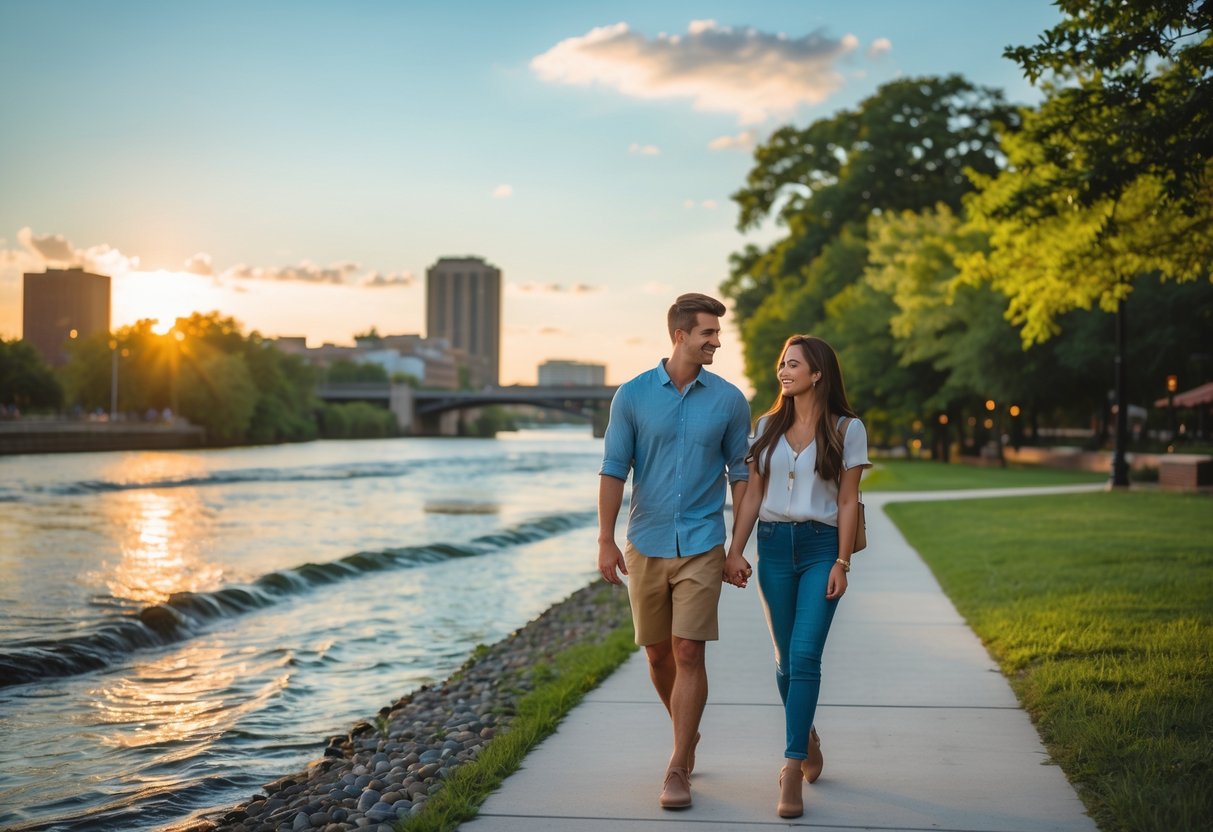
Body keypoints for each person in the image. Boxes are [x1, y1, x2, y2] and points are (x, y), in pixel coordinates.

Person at [598, 292, 751, 810]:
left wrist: (735, 548)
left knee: (689, 650)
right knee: (658, 653)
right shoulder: (633, 396)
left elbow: (741, 476)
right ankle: (688, 734)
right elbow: (614, 470)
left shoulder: (730, 400)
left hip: (703, 543)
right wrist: (604, 540)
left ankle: (678, 763)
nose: (716, 341)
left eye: (717, 333)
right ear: (680, 335)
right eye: (708, 333)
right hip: (646, 542)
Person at [723, 334, 870, 819]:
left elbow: (848, 500)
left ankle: (789, 770)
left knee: (806, 655)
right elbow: (750, 496)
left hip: (820, 548)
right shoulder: (765, 427)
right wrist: (735, 551)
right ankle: (805, 736)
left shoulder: (848, 429)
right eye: (781, 364)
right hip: (773, 547)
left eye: (793, 365)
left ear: (818, 373)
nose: (783, 372)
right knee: (786, 661)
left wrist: (842, 562)